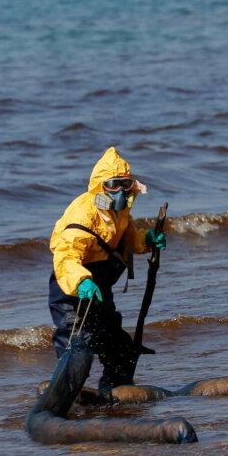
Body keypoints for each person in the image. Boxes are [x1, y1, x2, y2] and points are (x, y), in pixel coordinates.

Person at [48, 146, 167, 394]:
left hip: (100, 288)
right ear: (101, 186)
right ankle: (66, 395)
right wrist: (81, 281)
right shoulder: (83, 215)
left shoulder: (120, 212)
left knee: (117, 345)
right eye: (114, 184)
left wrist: (147, 240)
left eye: (125, 184)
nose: (121, 191)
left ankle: (115, 391)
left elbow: (128, 238)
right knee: (76, 342)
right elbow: (66, 256)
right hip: (73, 289)